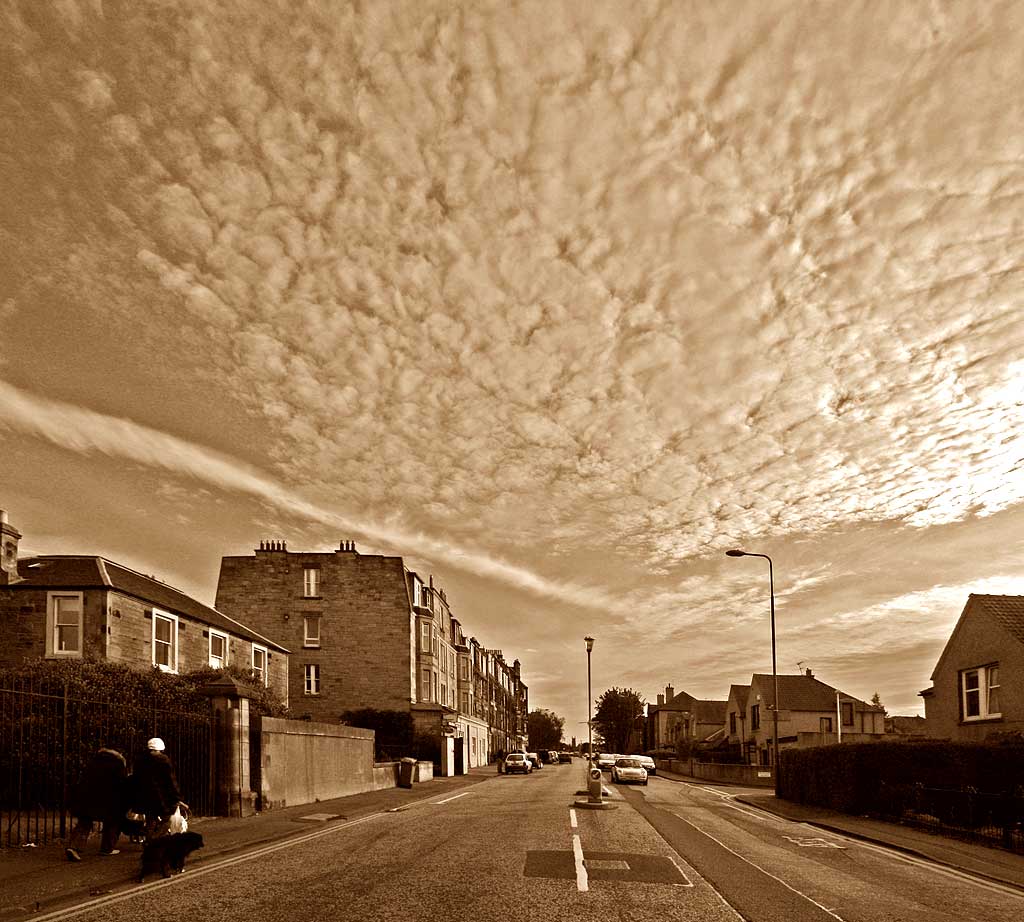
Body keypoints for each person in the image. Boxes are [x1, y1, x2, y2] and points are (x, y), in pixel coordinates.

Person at [66, 747, 128, 861]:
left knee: (84, 822)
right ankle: (107, 848)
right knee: (113, 821)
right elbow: (121, 782)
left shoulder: (93, 762)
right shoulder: (118, 763)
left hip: (88, 798)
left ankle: (73, 847)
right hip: (108, 799)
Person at [129, 738, 182, 842]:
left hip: (145, 796)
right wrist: (177, 797)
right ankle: (153, 840)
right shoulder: (163, 760)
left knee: (150, 820)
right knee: (167, 819)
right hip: (161, 796)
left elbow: (136, 778)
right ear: (161, 749)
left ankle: (148, 841)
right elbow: (170, 781)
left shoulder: (140, 760)